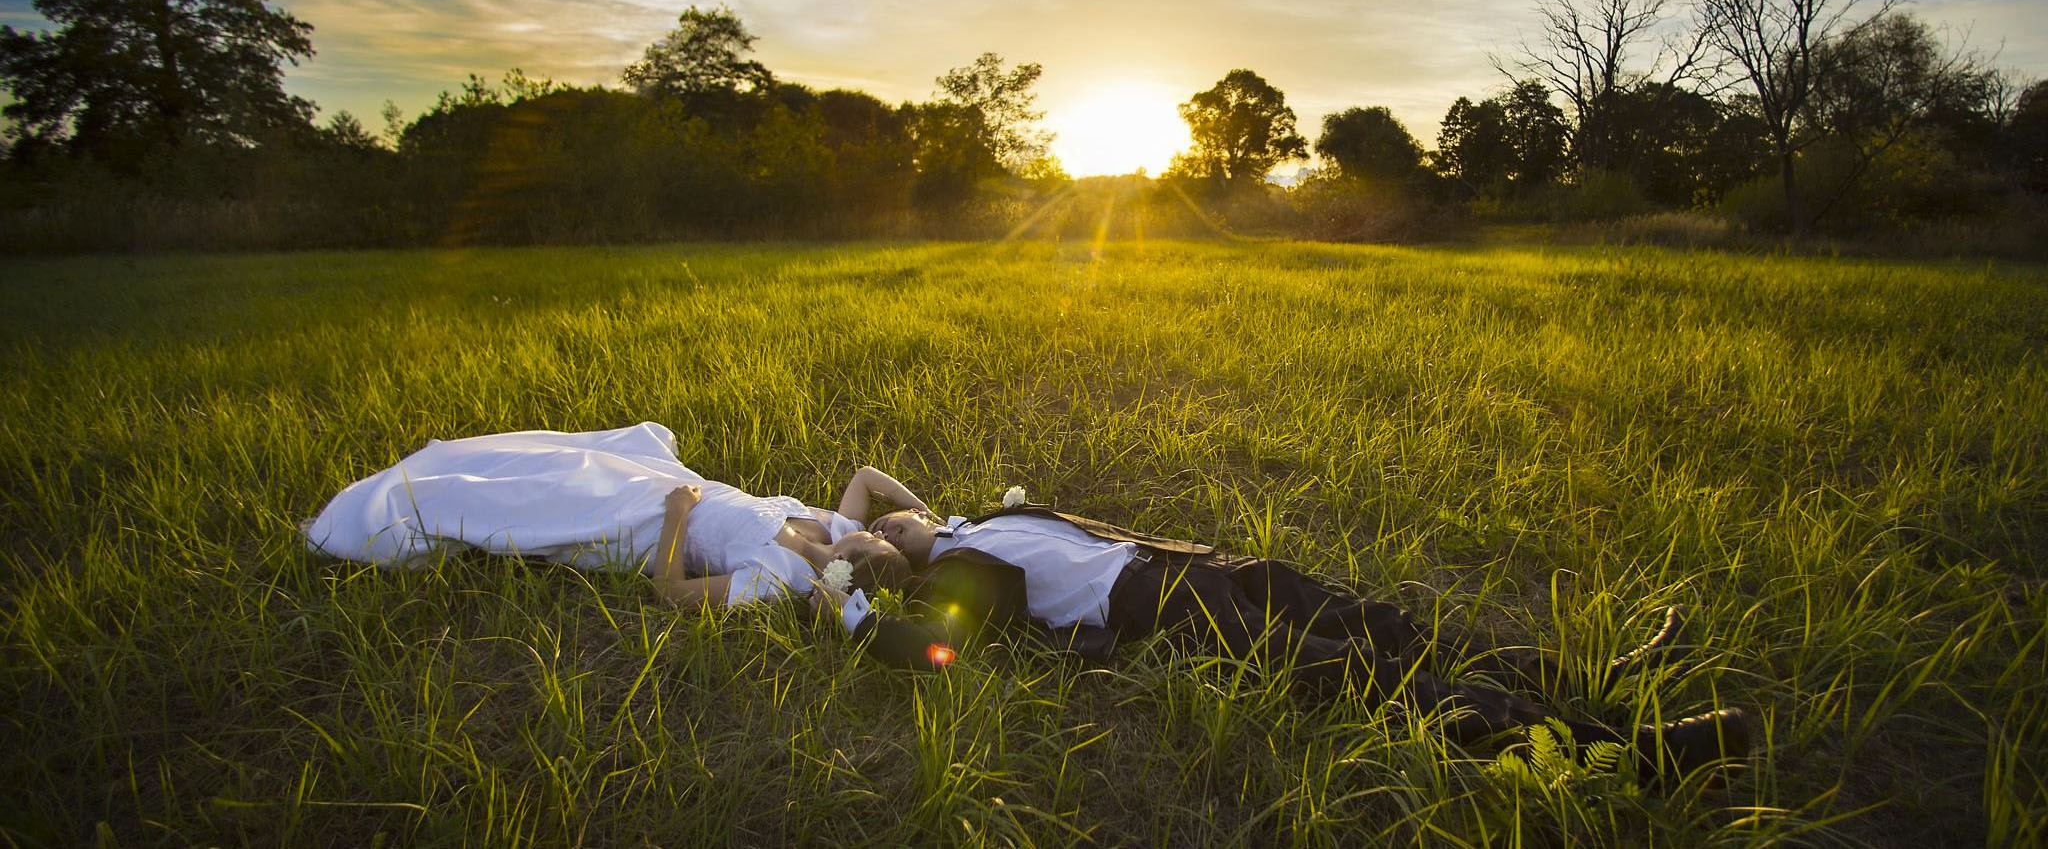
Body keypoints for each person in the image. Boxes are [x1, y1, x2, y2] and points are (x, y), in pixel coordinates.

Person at [813, 495, 1750, 784]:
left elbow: (864, 477)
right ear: (889, 562)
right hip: (1160, 608)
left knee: (1379, 621)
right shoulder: (951, 577)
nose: (887, 519)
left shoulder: (974, 520)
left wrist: (890, 524)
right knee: (1359, 676)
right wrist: (849, 602)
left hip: (1193, 563)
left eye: (886, 519)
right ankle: (1621, 760)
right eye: (875, 534)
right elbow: (930, 650)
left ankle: (1592, 677)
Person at [301, 422, 912, 606]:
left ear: (844, 568)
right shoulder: (830, 526)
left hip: (651, 519)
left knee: (531, 498)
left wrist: (676, 516)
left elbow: (672, 592)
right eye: (876, 531)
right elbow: (864, 477)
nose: (868, 529)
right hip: (679, 485)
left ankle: (390, 511)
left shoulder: (778, 580)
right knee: (559, 458)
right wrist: (923, 514)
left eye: (868, 543)